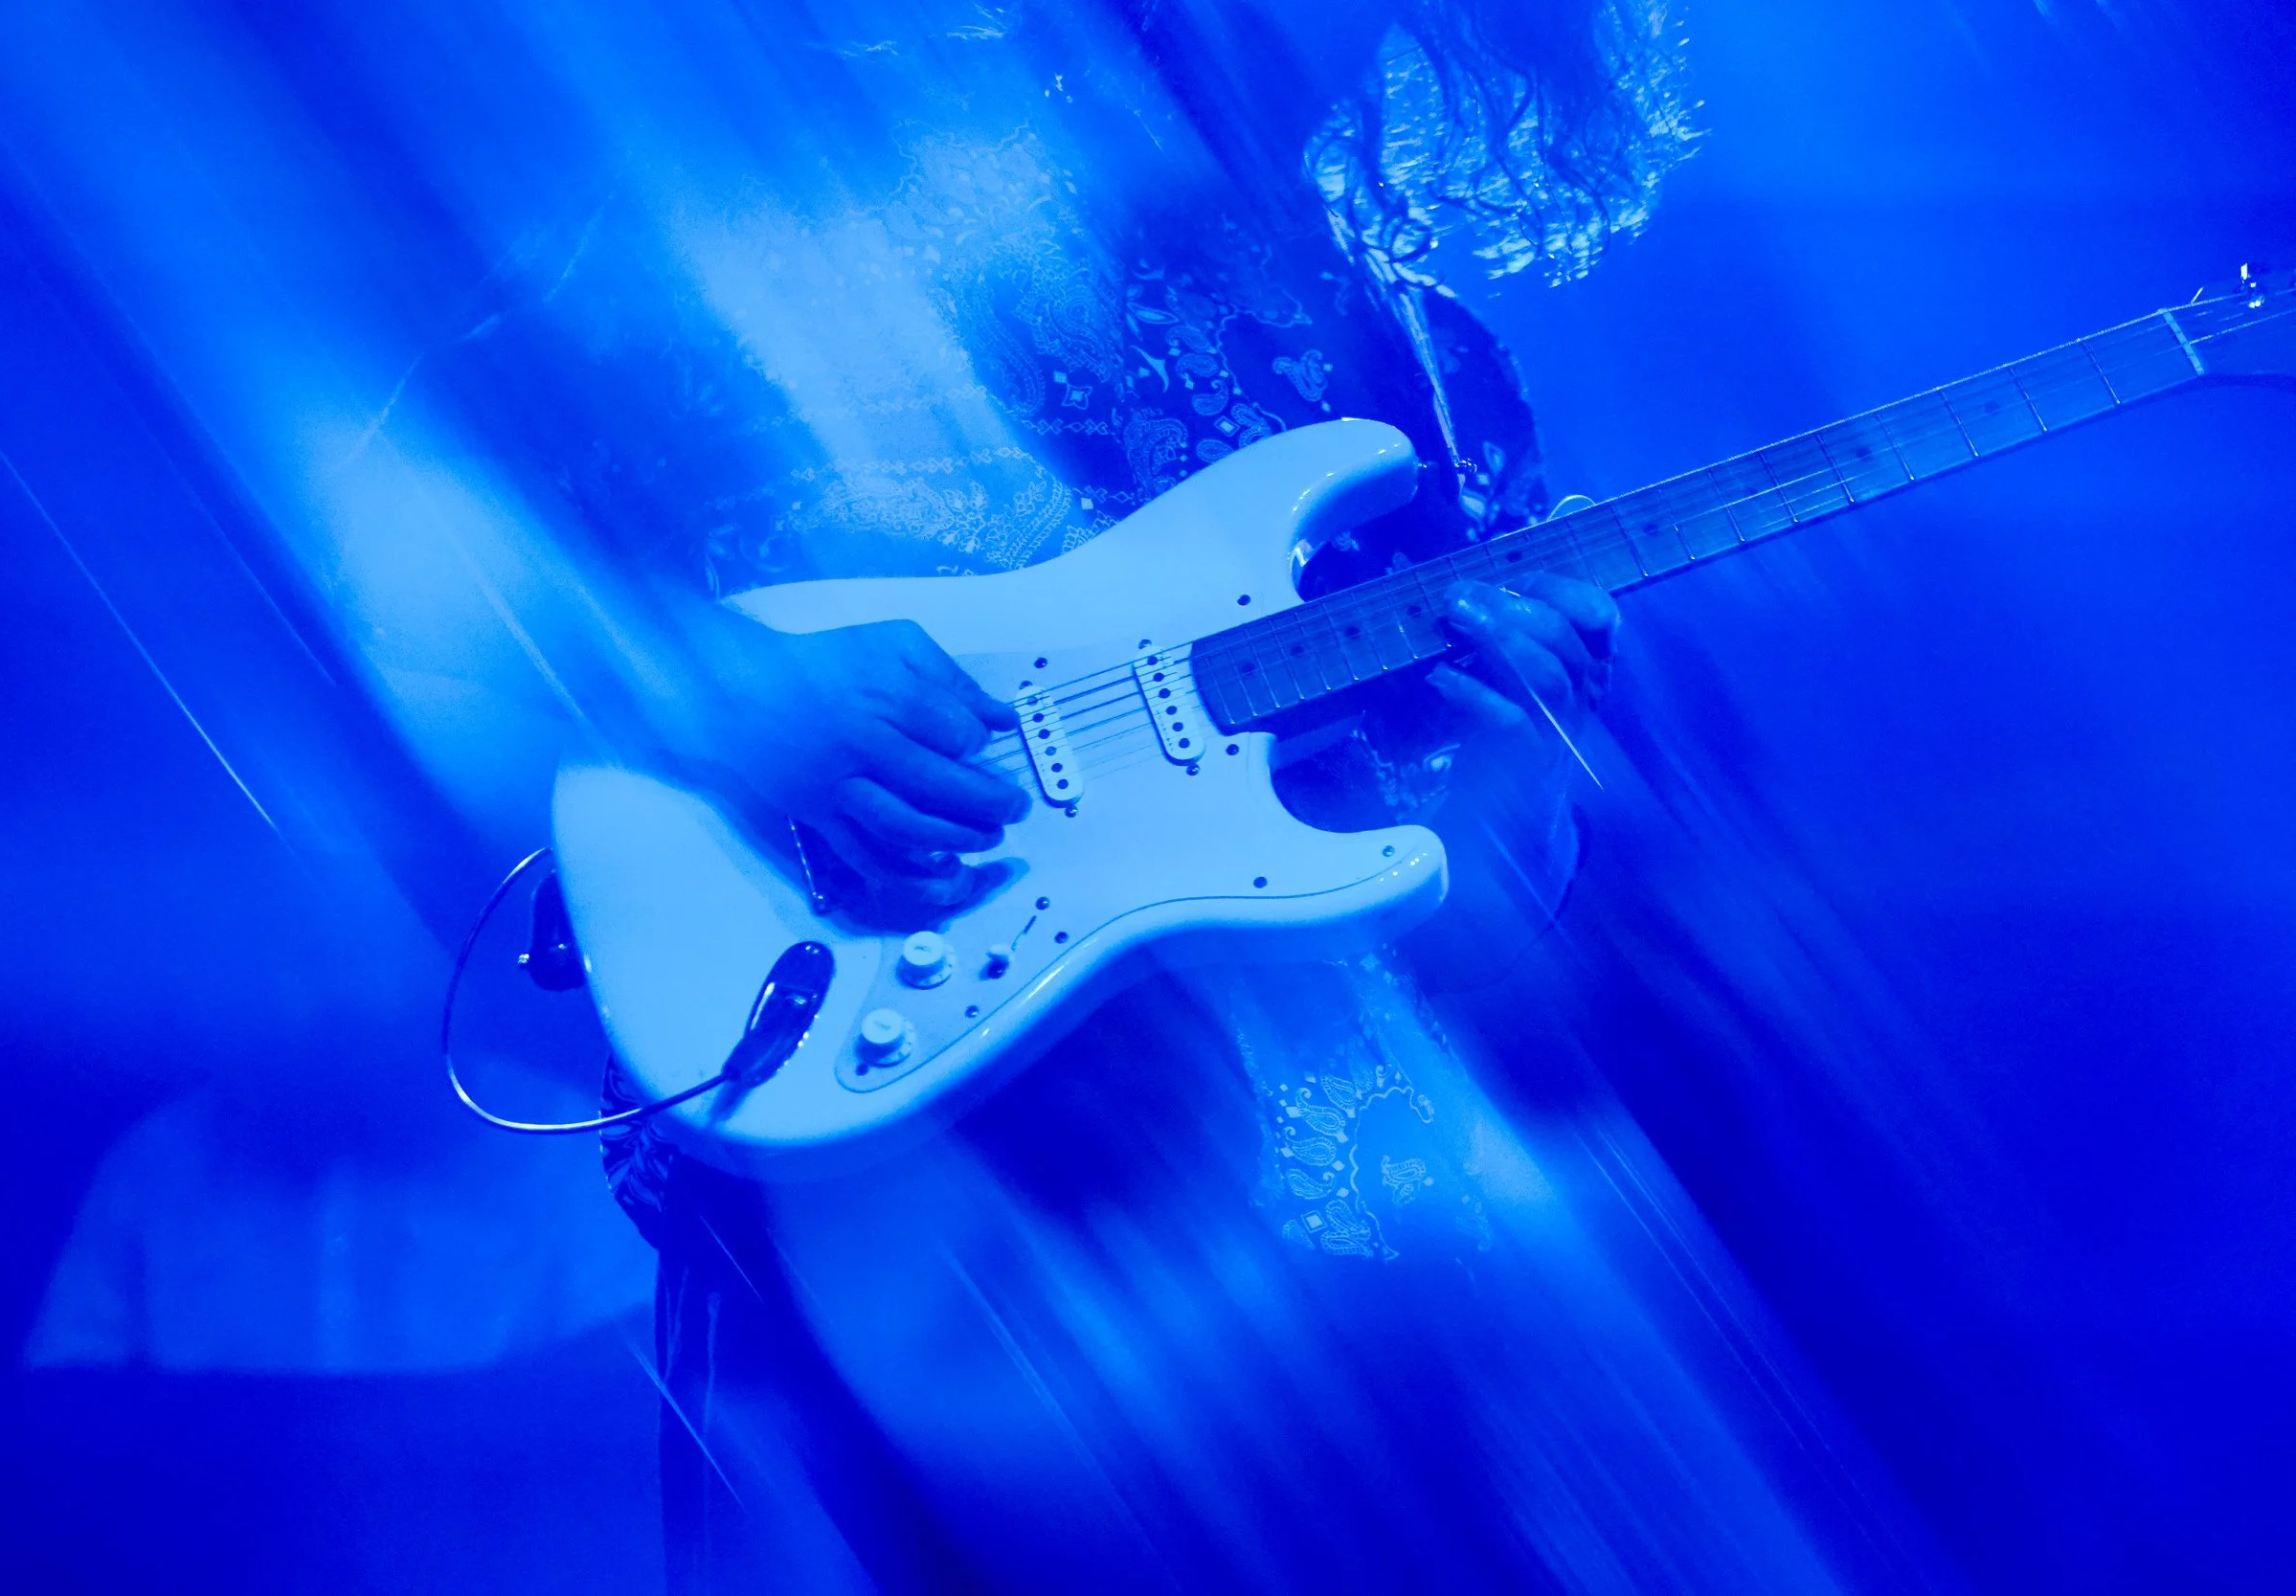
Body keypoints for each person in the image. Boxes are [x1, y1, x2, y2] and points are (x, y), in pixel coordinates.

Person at [421, 2, 1852, 1589]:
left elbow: (1480, 986)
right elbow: (406, 564)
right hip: (940, 1247)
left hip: (1342, 1312)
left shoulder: (1439, 382)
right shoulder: (789, 155)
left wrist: (1510, 789)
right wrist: (698, 693)